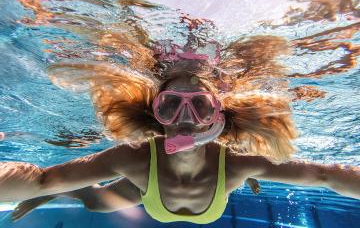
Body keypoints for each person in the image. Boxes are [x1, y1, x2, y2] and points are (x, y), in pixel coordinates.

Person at [1, 51, 360, 224]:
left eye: (200, 107)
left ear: (218, 114)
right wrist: (43, 189)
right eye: (171, 105)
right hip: (148, 185)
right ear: (155, 112)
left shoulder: (237, 163)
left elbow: (325, 175)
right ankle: (60, 196)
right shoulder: (134, 157)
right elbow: (41, 178)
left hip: (160, 189)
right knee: (93, 201)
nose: (184, 120)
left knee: (95, 201)